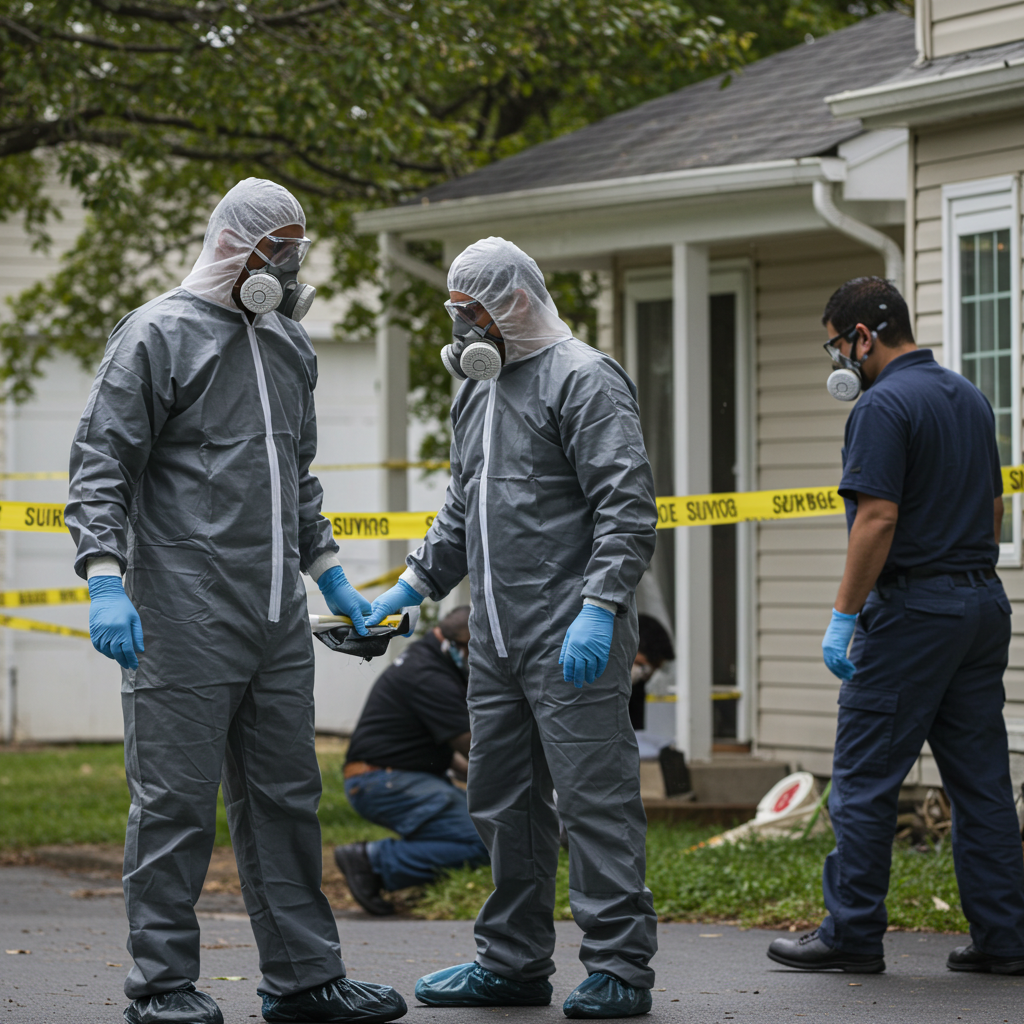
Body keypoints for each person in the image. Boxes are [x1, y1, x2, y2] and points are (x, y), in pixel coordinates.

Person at [66, 178, 407, 1024]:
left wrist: (332, 580)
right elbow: (100, 466)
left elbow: (298, 478)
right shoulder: (155, 334)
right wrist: (106, 581)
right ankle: (163, 987)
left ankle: (305, 980)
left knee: (287, 800)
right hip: (178, 612)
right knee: (174, 804)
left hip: (275, 619)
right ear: (236, 246)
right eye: (278, 247)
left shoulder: (290, 344)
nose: (291, 264)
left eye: (297, 246)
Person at [368, 236, 659, 1019]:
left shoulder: (586, 380)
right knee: (502, 798)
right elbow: (464, 507)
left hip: (574, 632)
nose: (464, 330)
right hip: (494, 637)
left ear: (515, 304)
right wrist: (408, 586)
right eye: (456, 313)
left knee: (594, 799)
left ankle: (621, 967)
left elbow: (626, 507)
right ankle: (513, 961)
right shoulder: (479, 390)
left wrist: (599, 607)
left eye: (474, 313)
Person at [767, 276, 1024, 976]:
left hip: (914, 613)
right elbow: (995, 510)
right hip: (980, 605)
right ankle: (1006, 938)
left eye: (835, 344)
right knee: (980, 784)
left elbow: (877, 519)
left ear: (863, 336)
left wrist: (843, 616)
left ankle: (851, 933)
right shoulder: (967, 396)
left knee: (865, 778)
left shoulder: (882, 407)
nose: (837, 361)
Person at [333, 606, 489, 915]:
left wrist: (476, 781)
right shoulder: (429, 676)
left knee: (481, 823)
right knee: (486, 840)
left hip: (395, 776)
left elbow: (444, 750)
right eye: (477, 648)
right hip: (381, 781)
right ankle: (374, 860)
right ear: (452, 641)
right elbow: (472, 746)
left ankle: (392, 861)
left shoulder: (430, 660)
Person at [629, 613, 676, 732]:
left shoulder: (637, 689)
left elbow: (636, 735)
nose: (646, 674)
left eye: (654, 668)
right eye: (641, 665)